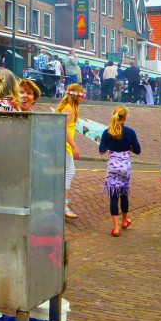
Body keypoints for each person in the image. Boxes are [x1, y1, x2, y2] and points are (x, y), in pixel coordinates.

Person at [99, 105, 142, 237]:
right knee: (124, 194)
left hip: (112, 166)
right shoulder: (130, 132)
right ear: (125, 117)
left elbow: (101, 151)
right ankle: (124, 221)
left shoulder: (107, 132)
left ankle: (116, 228)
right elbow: (138, 150)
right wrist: (128, 147)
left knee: (113, 196)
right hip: (125, 167)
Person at [55, 84, 86, 219]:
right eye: (82, 96)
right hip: (65, 146)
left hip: (63, 145)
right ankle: (64, 205)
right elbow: (65, 129)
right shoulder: (69, 109)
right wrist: (74, 146)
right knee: (69, 172)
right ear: (76, 97)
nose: (83, 99)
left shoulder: (68, 108)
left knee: (66, 172)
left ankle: (61, 203)